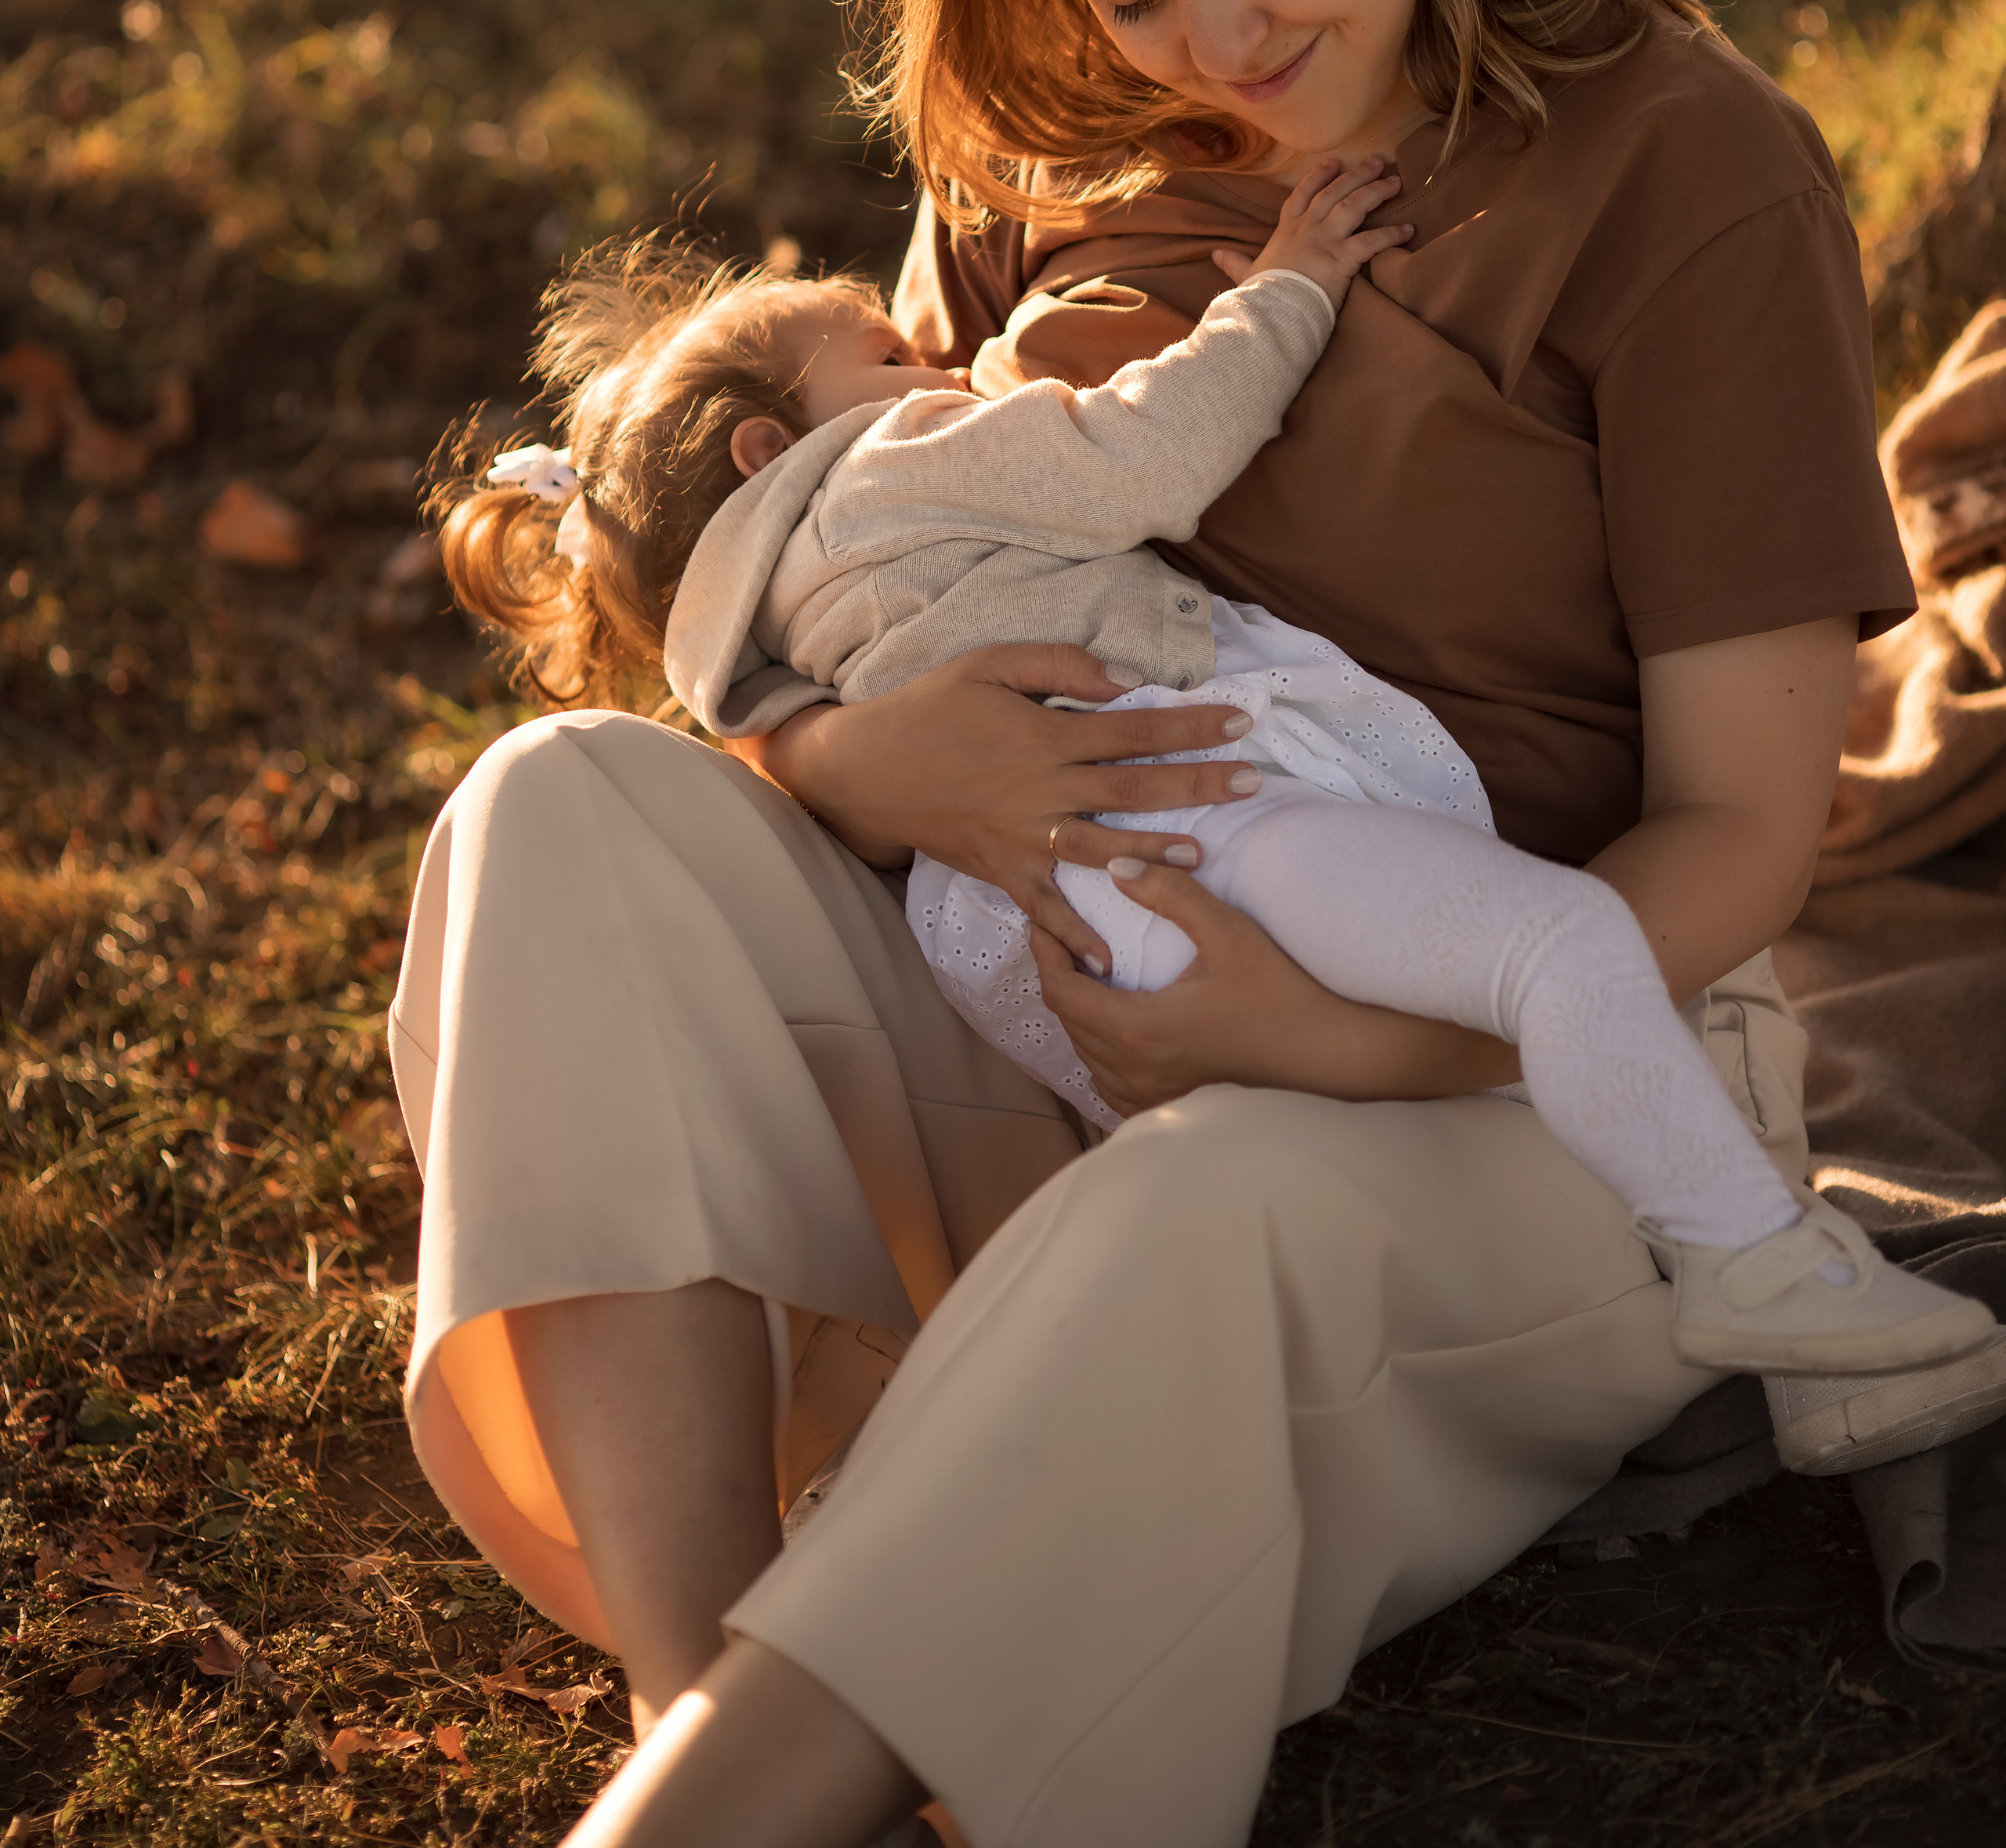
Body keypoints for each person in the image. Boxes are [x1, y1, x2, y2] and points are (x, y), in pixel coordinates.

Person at [389, 0, 1946, 1848]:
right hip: (1038, 1004)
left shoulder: (1684, 179)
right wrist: (850, 758)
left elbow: (1742, 837)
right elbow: (863, 572)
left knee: (1194, 1211)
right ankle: (700, 1687)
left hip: (1499, 1096)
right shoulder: (1060, 128)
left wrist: (1313, 1039)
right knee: (558, 807)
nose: (1211, 49)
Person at [442, 183, 1986, 1386]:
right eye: (896, 357)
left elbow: (781, 757)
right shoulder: (890, 464)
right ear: (770, 445)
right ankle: (1754, 1260)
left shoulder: (748, 639)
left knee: (1204, 1171)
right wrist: (1294, 277)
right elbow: (1141, 457)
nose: (941, 365)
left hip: (1033, 943)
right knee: (1561, 948)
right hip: (1197, 821)